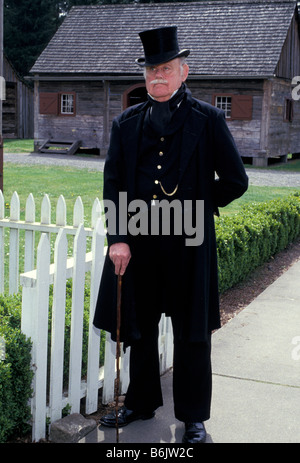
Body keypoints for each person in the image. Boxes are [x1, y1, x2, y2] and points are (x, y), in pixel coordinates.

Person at [93, 26, 248, 443]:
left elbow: (236, 180)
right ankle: (141, 403)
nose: (156, 77)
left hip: (189, 245)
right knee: (139, 328)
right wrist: (118, 238)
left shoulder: (208, 119)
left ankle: (193, 417)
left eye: (165, 69)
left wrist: (197, 203)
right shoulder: (125, 123)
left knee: (192, 333)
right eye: (150, 70)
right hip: (140, 243)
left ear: (184, 72)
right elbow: (114, 184)